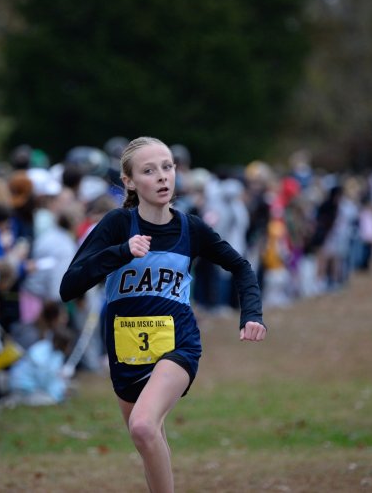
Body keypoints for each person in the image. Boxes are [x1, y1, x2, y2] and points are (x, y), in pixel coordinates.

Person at [60, 137, 266, 493]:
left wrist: (252, 314)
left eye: (167, 167)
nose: (161, 177)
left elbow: (242, 267)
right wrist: (122, 252)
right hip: (126, 350)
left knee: (142, 426)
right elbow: (69, 286)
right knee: (149, 438)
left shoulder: (191, 228)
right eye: (149, 170)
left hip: (178, 345)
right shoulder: (117, 226)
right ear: (128, 181)